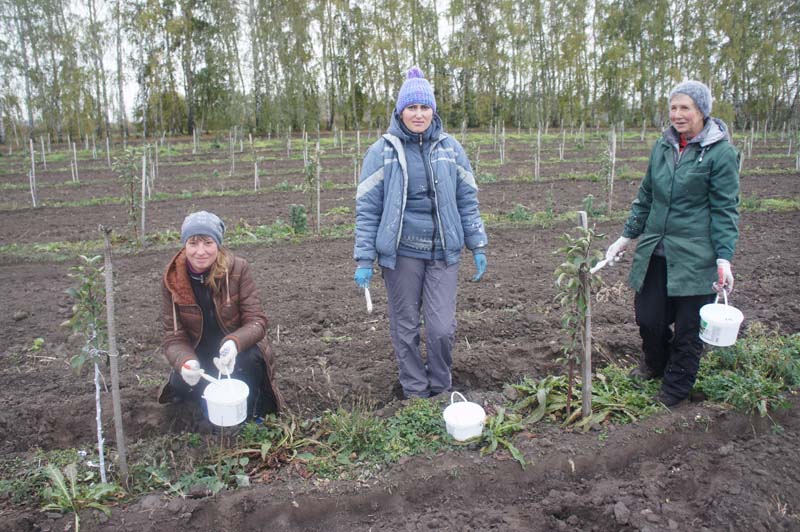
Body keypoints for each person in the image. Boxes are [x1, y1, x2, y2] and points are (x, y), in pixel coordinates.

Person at [353, 66, 488, 399]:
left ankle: (442, 389)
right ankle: (415, 392)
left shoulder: (450, 148)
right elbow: (368, 209)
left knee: (441, 329)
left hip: (444, 251)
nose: (418, 114)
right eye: (411, 108)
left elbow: (467, 199)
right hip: (400, 254)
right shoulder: (381, 151)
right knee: (406, 327)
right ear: (400, 111)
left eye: (424, 107)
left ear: (433, 111)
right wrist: (364, 257)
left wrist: (478, 242)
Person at [605, 80, 740, 407]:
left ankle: (676, 389)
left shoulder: (720, 154)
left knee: (689, 329)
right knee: (648, 319)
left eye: (685, 108)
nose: (677, 115)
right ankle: (656, 363)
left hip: (696, 255)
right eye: (673, 108)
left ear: (702, 111)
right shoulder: (663, 146)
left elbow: (725, 209)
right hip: (656, 249)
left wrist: (723, 258)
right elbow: (646, 196)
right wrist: (626, 237)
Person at [157, 211, 284, 422]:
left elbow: (257, 321)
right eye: (193, 243)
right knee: (182, 383)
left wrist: (234, 344)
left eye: (208, 242)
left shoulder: (237, 269)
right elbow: (173, 337)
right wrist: (185, 362)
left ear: (218, 244)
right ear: (184, 245)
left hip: (233, 354)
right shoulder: (172, 280)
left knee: (250, 360)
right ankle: (201, 410)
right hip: (200, 355)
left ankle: (252, 413)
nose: (200, 251)